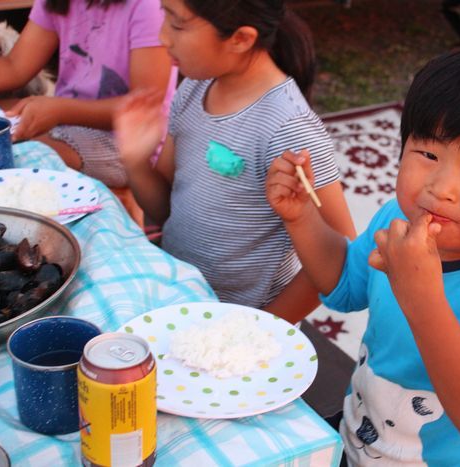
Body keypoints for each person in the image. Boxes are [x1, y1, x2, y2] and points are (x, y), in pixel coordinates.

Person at [266, 47, 460, 465]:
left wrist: (423, 298)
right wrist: (301, 216)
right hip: (356, 443)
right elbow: (341, 285)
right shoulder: (400, 217)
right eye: (429, 154)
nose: (441, 187)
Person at [113, 0, 355, 316]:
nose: (162, 37)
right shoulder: (195, 88)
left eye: (177, 24)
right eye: (164, 17)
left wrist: (264, 328)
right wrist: (135, 161)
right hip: (179, 300)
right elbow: (165, 209)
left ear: (241, 39)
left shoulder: (289, 130)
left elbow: (342, 258)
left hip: (241, 327)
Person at [0, 0, 176, 188]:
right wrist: (58, 112)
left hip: (132, 144)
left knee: (24, 155)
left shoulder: (147, 6)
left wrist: (59, 111)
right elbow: (15, 67)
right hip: (65, 123)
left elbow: (144, 106)